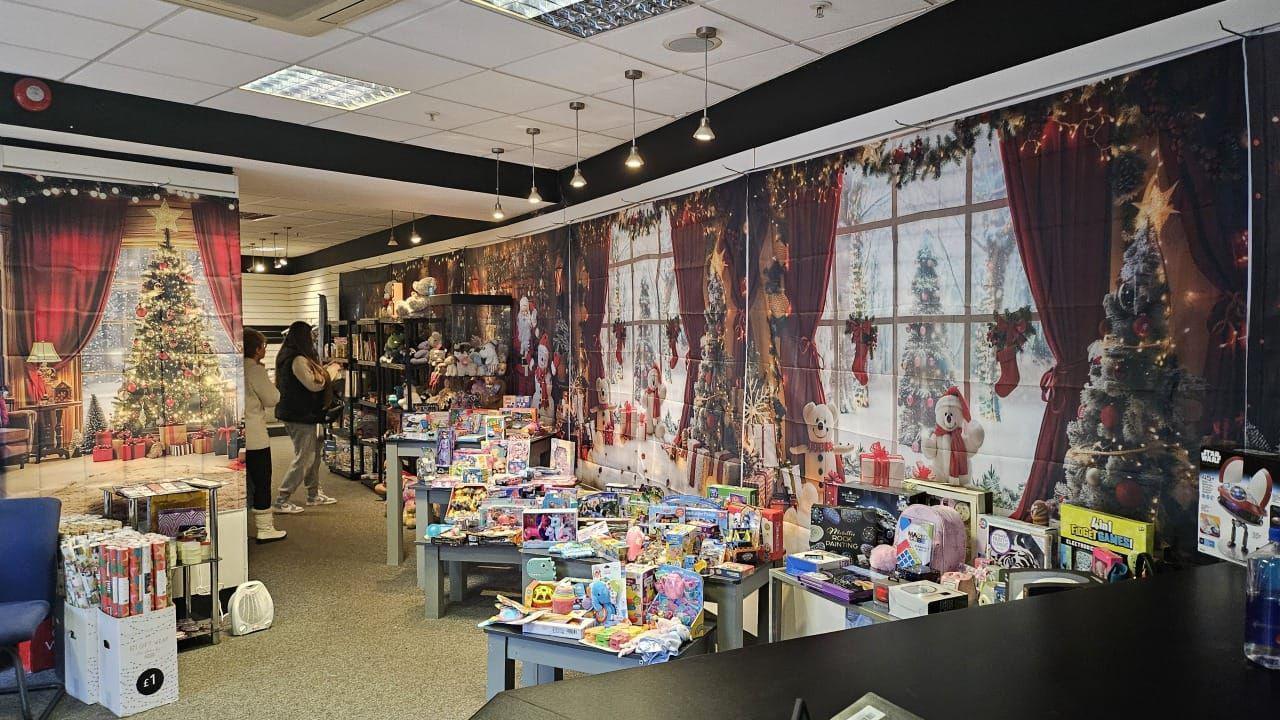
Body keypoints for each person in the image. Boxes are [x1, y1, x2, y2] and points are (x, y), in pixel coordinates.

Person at [273, 321, 337, 512]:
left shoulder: (290, 356)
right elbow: (313, 385)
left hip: (302, 414)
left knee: (312, 454)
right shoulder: (298, 360)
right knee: (305, 457)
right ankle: (282, 499)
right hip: (300, 415)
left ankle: (313, 494)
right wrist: (330, 374)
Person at [243, 328, 286, 542]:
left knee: (244, 481)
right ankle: (265, 528)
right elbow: (271, 398)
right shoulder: (255, 370)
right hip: (255, 435)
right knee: (261, 480)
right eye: (263, 347)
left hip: (236, 435)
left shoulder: (234, 367)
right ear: (257, 349)